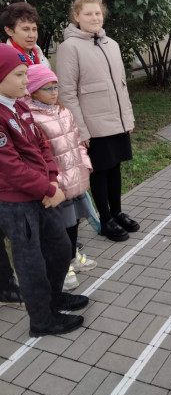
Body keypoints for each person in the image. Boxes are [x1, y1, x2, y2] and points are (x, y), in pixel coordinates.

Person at [0, 43, 87, 337]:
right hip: (17, 203)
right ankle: (41, 320)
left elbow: (41, 146)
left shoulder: (20, 105)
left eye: (26, 74)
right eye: (20, 75)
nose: (26, 81)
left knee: (60, 248)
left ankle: (54, 298)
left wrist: (51, 179)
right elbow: (10, 167)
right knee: (30, 263)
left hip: (42, 194)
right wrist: (46, 189)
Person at [56, 0, 139, 242]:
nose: (94, 18)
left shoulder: (111, 44)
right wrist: (80, 131)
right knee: (100, 173)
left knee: (116, 169)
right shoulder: (69, 48)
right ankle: (105, 221)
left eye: (98, 13)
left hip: (117, 122)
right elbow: (68, 94)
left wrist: (128, 119)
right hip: (93, 126)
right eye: (88, 13)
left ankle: (117, 212)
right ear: (76, 17)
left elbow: (121, 86)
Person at [25, 65, 98, 291]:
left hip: (76, 178)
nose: (54, 92)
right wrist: (50, 181)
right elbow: (37, 155)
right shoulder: (32, 118)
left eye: (56, 87)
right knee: (59, 227)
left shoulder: (64, 111)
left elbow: (77, 142)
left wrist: (85, 164)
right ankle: (62, 267)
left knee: (74, 221)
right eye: (47, 89)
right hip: (57, 184)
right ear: (33, 91)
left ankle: (72, 256)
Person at [0, 2, 51, 67]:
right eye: (25, 29)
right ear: (9, 31)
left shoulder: (40, 57)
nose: (32, 35)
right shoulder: (4, 60)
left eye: (34, 29)